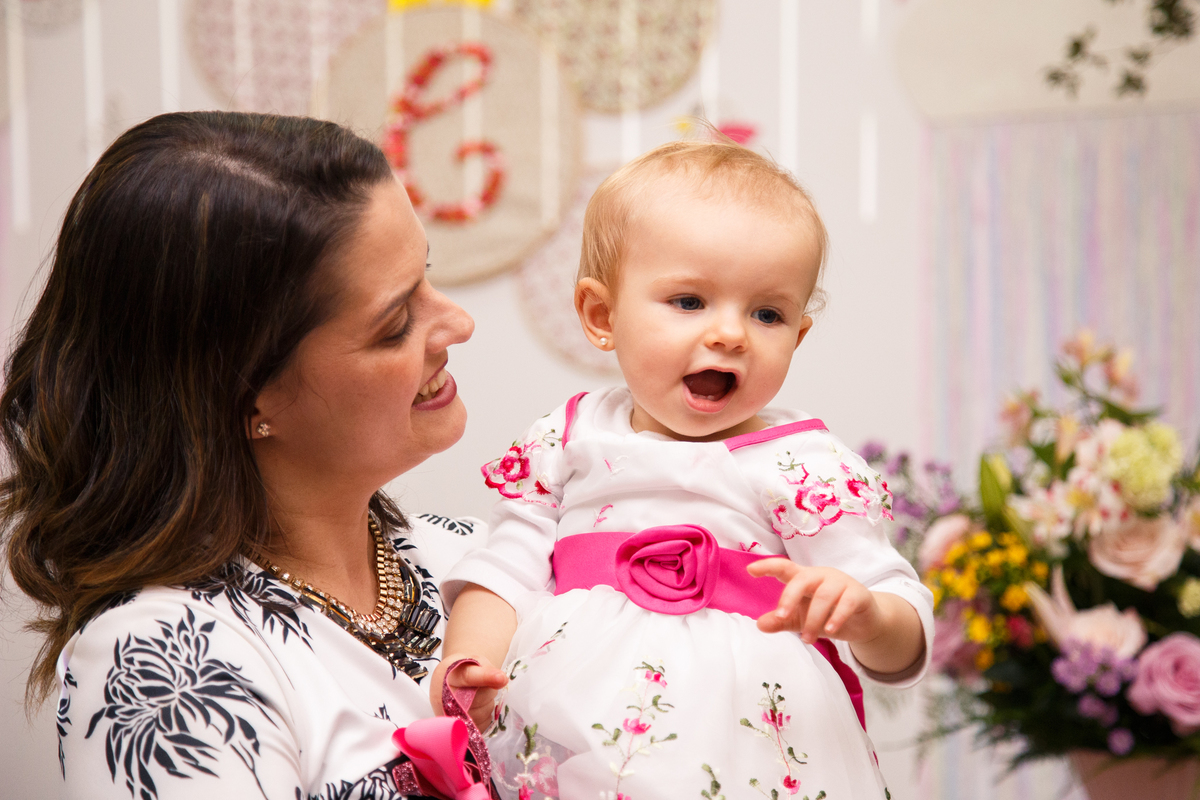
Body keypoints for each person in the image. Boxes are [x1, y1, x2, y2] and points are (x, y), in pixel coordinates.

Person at [0, 111, 482, 799]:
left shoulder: (479, 562)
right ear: (249, 396)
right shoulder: (166, 665)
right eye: (395, 324)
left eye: (426, 275)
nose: (459, 323)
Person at [434, 140, 934, 800]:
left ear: (798, 336)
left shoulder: (803, 465)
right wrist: (468, 659)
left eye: (767, 313)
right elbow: (506, 569)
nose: (730, 334)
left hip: (747, 745)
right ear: (602, 315)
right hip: (575, 727)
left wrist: (870, 618)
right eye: (690, 301)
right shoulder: (569, 437)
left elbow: (901, 627)